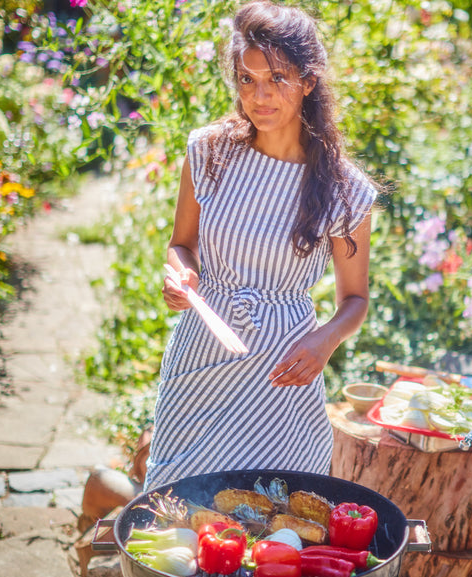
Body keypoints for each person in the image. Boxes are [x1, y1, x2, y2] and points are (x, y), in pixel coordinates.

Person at [144, 0, 378, 491]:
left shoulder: (345, 189)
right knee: (177, 509)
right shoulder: (209, 153)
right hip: (200, 362)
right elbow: (180, 245)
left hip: (282, 375)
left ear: (308, 81)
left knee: (277, 521)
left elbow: (354, 302)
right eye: (247, 80)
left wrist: (325, 340)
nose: (260, 95)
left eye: (276, 79)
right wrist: (181, 273)